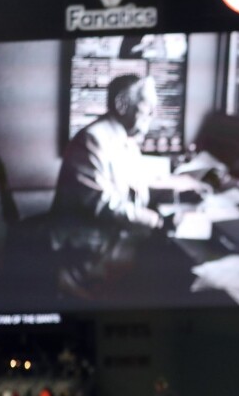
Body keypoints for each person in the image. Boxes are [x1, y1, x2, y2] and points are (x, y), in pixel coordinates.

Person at [50, 74, 166, 301]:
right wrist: (155, 219)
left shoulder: (125, 138)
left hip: (109, 239)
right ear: (122, 104)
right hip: (87, 252)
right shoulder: (93, 139)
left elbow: (132, 186)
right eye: (148, 106)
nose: (153, 114)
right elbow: (104, 204)